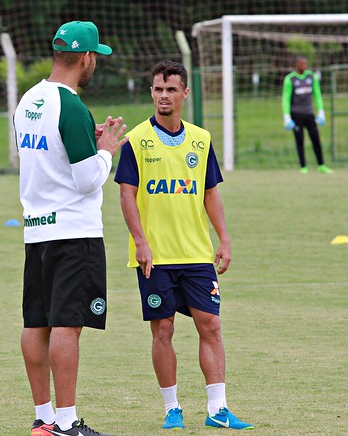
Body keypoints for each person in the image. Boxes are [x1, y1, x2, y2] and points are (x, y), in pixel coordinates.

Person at [114, 60, 254, 431]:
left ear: (185, 94)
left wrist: (223, 239)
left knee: (211, 326)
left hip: (196, 254)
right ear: (151, 92)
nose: (164, 96)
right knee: (163, 330)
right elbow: (127, 195)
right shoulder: (137, 141)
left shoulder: (201, 139)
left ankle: (218, 409)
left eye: (171, 89)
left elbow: (210, 193)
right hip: (154, 257)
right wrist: (140, 242)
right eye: (158, 89)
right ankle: (171, 407)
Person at [13, 21, 128, 436]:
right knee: (66, 325)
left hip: (36, 231)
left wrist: (85, 142)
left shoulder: (28, 101)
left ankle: (42, 417)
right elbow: (85, 180)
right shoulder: (73, 106)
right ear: (87, 58)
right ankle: (65, 422)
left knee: (35, 323)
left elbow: (47, 155)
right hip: (73, 233)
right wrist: (106, 151)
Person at [282, 55, 333, 174]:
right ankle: (303, 167)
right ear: (296, 65)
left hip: (309, 113)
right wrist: (286, 116)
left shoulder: (311, 76)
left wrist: (321, 111)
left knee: (316, 139)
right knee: (299, 141)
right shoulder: (290, 79)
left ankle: (321, 165)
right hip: (296, 114)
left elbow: (317, 94)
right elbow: (286, 98)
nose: (304, 66)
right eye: (301, 64)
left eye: (305, 64)